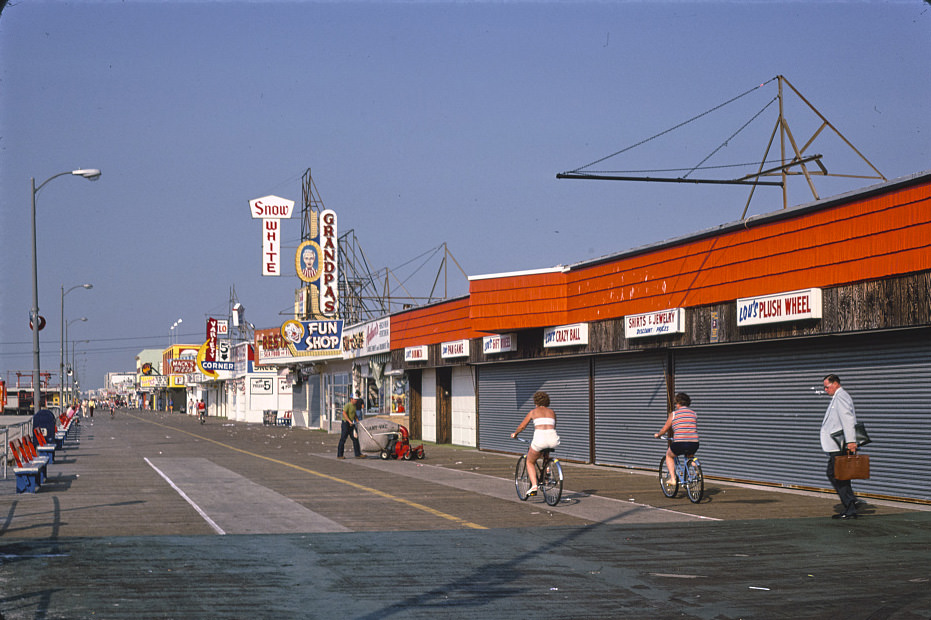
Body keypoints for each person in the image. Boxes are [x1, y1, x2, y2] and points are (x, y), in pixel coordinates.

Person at [820, 374, 860, 520]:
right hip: (837, 445)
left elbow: (848, 418)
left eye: (827, 386)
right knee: (837, 475)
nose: (825, 390)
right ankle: (850, 503)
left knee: (837, 475)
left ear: (835, 384)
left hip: (840, 445)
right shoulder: (837, 397)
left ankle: (850, 505)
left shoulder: (841, 396)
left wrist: (851, 441)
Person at [510, 391, 560, 496]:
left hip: (539, 440)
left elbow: (522, 426)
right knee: (545, 450)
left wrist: (515, 433)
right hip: (553, 439)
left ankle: (534, 486)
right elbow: (553, 426)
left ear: (535, 402)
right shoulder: (552, 412)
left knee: (530, 461)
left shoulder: (533, 412)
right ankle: (547, 470)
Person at [654, 392, 699, 487]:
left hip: (680, 443)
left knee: (669, 456)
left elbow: (665, 429)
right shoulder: (694, 414)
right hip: (694, 443)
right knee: (690, 455)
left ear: (678, 403)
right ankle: (696, 468)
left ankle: (673, 479)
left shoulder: (674, 414)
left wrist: (658, 434)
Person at [337, 392, 366, 459]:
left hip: (351, 424)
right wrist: (349, 421)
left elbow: (354, 414)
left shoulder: (355, 406)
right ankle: (339, 455)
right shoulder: (348, 405)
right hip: (346, 423)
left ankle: (358, 453)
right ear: (351, 399)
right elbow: (344, 413)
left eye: (356, 399)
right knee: (343, 439)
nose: (356, 401)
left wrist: (357, 420)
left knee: (355, 438)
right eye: (355, 399)